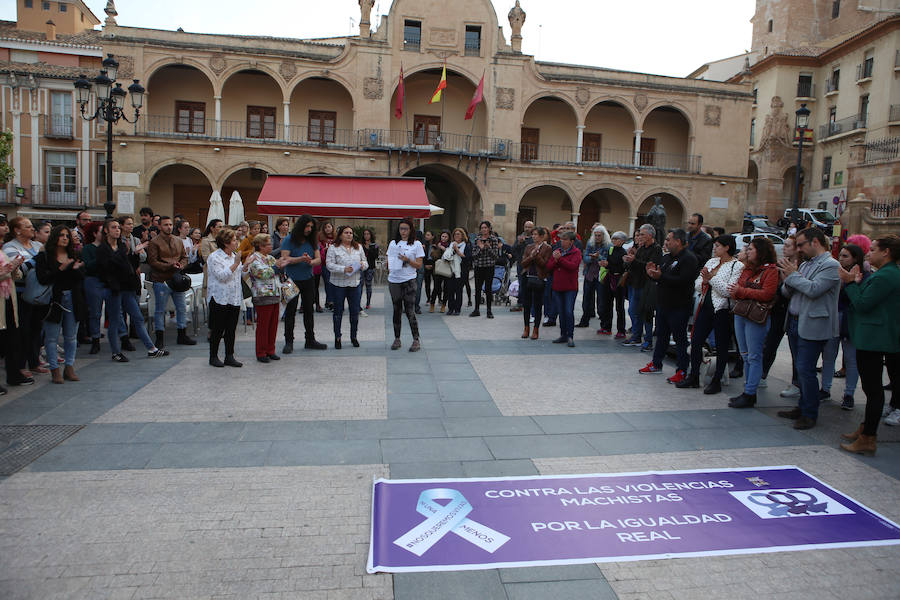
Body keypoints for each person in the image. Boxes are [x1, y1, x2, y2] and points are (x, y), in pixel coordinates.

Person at [838, 235, 900, 455]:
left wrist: (849, 284)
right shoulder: (883, 274)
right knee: (871, 387)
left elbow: (863, 304)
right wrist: (855, 282)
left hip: (874, 338)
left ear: (886, 252)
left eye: (873, 250)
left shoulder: (887, 276)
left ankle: (868, 438)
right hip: (872, 335)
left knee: (873, 390)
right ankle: (865, 428)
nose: (869, 253)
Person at [776, 227, 841, 430]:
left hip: (812, 324)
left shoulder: (831, 265)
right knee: (799, 368)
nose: (799, 249)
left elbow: (813, 290)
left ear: (815, 242)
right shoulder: (805, 264)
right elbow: (788, 290)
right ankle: (802, 407)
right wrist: (790, 279)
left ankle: (810, 413)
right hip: (795, 320)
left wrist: (794, 277)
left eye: (802, 244)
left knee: (806, 369)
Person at [676, 235, 743, 393]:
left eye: (718, 245)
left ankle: (717, 379)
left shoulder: (737, 266)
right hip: (704, 306)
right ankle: (694, 376)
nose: (715, 248)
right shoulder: (711, 262)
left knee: (721, 346)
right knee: (696, 341)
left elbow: (728, 291)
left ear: (727, 247)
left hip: (722, 310)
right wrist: (705, 281)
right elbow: (698, 284)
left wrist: (711, 279)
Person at [97, 219, 168, 362]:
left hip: (127, 287)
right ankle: (116, 352)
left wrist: (132, 255)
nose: (117, 230)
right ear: (106, 230)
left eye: (118, 227)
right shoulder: (103, 249)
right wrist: (127, 255)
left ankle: (151, 349)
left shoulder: (123, 246)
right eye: (113, 227)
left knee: (138, 317)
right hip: (113, 289)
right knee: (115, 320)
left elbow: (127, 265)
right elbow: (108, 267)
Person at [639, 229, 698, 383]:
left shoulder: (689, 259)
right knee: (661, 336)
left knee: (680, 339)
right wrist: (651, 274)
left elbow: (683, 281)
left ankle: (682, 370)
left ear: (678, 241)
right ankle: (656, 363)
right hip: (663, 304)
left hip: (679, 306)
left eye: (668, 240)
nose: (665, 242)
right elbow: (661, 277)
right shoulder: (666, 258)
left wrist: (661, 277)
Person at [725, 237, 779, 407]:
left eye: (751, 249)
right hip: (741, 313)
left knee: (754, 355)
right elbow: (735, 289)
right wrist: (743, 291)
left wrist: (743, 291)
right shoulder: (747, 269)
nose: (747, 252)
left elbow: (767, 294)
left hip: (756, 317)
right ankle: (748, 389)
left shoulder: (771, 270)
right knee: (745, 355)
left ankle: (750, 392)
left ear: (761, 252)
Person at [35, 226, 85, 384]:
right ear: (55, 237)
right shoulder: (44, 256)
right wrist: (61, 269)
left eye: (67, 236)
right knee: (52, 338)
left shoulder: (73, 254)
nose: (65, 238)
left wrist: (75, 270)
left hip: (72, 297)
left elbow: (80, 278)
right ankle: (55, 369)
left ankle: (69, 367)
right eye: (61, 235)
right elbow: (43, 278)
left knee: (71, 337)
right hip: (54, 300)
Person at [823, 244, 867, 410]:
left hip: (850, 319)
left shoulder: (863, 275)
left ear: (855, 258)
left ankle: (849, 394)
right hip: (834, 316)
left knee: (850, 358)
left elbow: (859, 298)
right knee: (828, 354)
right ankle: (825, 389)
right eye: (840, 255)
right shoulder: (834, 272)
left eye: (846, 256)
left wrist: (849, 283)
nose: (841, 259)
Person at [3, 217, 46, 379]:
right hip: (20, 294)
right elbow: (17, 270)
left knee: (36, 329)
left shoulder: (37, 245)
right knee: (22, 330)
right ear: (17, 230)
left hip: (38, 293)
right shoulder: (10, 247)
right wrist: (36, 260)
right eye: (27, 226)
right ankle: (20, 365)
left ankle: (34, 361)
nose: (32, 229)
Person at [147, 216, 197, 348]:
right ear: (160, 226)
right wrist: (169, 265)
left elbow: (184, 257)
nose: (168, 227)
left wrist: (181, 265)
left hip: (177, 279)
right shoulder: (154, 242)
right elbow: (153, 262)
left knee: (181, 308)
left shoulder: (177, 240)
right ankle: (159, 338)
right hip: (161, 279)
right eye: (165, 225)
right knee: (160, 310)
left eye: (170, 224)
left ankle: (182, 334)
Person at [279, 215, 327, 352]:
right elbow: (284, 258)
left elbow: (318, 259)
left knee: (309, 310)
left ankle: (310, 340)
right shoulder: (289, 239)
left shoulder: (312, 241)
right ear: (301, 226)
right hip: (291, 280)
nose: (309, 229)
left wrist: (311, 262)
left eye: (311, 227)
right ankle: (289, 341)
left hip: (308, 279)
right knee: (290, 312)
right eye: (307, 226)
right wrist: (301, 258)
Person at [761, 235, 797, 392]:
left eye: (788, 245)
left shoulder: (800, 266)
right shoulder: (779, 264)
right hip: (778, 309)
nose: (784, 248)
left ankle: (796, 383)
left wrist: (787, 280)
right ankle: (762, 375)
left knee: (796, 349)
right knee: (770, 343)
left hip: (793, 310)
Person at [206, 228, 244, 368]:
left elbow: (237, 275)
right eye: (234, 240)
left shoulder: (234, 256)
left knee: (231, 329)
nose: (236, 242)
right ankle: (213, 356)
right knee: (217, 329)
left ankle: (229, 355)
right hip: (219, 297)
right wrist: (236, 264)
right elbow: (222, 276)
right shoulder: (214, 257)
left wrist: (244, 266)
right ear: (226, 243)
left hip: (233, 297)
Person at [326, 225, 368, 349]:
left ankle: (354, 336)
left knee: (354, 312)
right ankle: (337, 337)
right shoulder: (333, 248)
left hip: (354, 284)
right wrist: (343, 269)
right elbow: (329, 265)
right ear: (340, 235)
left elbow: (366, 263)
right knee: (338, 311)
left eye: (351, 232)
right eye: (346, 232)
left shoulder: (358, 247)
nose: (349, 234)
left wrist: (362, 265)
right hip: (338, 284)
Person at [622, 224, 663, 351]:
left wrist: (634, 260)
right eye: (639, 234)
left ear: (650, 235)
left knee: (647, 313)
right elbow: (635, 265)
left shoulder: (656, 249)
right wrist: (628, 260)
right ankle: (636, 335)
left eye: (642, 234)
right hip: (636, 284)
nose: (639, 237)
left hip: (647, 286)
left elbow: (651, 266)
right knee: (634, 311)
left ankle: (648, 340)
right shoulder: (641, 248)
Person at [246, 233, 284, 363]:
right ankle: (261, 352)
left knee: (273, 325)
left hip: (274, 293)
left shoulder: (270, 258)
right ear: (260, 246)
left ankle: (270, 350)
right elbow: (262, 273)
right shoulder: (254, 259)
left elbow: (276, 270)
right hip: (262, 295)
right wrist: (276, 267)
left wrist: (281, 265)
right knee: (263, 326)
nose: (271, 246)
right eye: (268, 244)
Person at [387, 218, 424, 351]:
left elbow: (419, 265)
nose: (403, 231)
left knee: (409, 310)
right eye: (401, 229)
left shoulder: (416, 244)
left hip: (409, 280)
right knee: (396, 310)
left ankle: (416, 339)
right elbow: (389, 259)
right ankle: (397, 339)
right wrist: (391, 264)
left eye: (406, 229)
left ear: (410, 230)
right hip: (394, 280)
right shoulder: (393, 243)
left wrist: (407, 260)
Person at [546, 231, 582, 347]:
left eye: (565, 239)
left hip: (570, 287)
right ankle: (563, 334)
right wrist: (556, 260)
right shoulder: (558, 251)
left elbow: (573, 266)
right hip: (557, 286)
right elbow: (549, 266)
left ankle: (570, 335)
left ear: (571, 241)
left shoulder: (576, 252)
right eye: (561, 239)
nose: (562, 241)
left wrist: (559, 260)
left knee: (568, 311)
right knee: (561, 312)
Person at [79, 222, 107, 355]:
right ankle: (95, 339)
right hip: (93, 280)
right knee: (95, 312)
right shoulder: (88, 249)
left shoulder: (109, 247)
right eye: (102, 231)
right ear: (95, 234)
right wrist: (101, 257)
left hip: (107, 281)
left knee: (115, 312)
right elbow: (88, 266)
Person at [0, 248, 25, 393]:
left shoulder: (2, 252)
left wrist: (15, 266)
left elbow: (17, 275)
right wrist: (6, 271)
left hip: (9, 300)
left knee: (12, 339)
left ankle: (14, 375)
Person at [519, 226, 551, 339]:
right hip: (527, 277)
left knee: (537, 305)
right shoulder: (529, 247)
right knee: (526, 305)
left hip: (539, 278)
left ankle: (536, 329)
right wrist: (531, 256)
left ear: (542, 236)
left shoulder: (547, 248)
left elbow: (544, 265)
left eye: (536, 234)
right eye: (533, 234)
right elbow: (523, 263)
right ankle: (526, 328)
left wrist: (536, 256)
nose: (534, 236)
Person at [576, 225, 611, 328]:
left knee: (601, 300)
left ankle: (603, 324)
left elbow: (607, 259)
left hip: (601, 275)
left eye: (599, 235)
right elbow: (585, 258)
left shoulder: (608, 245)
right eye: (595, 235)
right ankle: (584, 320)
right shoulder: (590, 244)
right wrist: (592, 258)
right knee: (586, 298)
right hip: (590, 274)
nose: (597, 237)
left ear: (603, 236)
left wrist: (598, 257)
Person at [600, 231, 629, 338]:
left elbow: (622, 268)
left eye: (617, 239)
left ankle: (621, 330)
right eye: (613, 239)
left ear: (622, 241)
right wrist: (604, 264)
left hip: (618, 280)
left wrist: (609, 265)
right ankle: (606, 327)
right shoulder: (611, 250)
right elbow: (609, 262)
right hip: (609, 278)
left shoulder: (623, 253)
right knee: (607, 303)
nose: (614, 241)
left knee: (619, 306)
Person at [470, 220, 500, 319]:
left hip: (489, 267)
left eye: (485, 228)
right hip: (479, 266)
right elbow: (474, 256)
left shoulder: (494, 240)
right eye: (482, 228)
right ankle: (476, 309)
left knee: (488, 289)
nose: (484, 229)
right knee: (478, 288)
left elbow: (495, 256)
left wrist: (488, 248)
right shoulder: (477, 240)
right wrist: (481, 248)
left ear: (489, 228)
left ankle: (489, 310)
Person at [511, 220, 535, 312]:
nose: (527, 229)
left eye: (529, 227)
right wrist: (519, 243)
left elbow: (532, 248)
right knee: (522, 284)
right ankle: (520, 302)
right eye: (526, 227)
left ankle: (530, 303)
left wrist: (524, 243)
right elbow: (513, 250)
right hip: (521, 265)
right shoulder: (519, 237)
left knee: (531, 284)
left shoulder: (534, 238)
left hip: (531, 265)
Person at [443, 228, 467, 316]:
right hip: (451, 269)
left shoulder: (465, 245)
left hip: (460, 271)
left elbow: (465, 257)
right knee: (450, 290)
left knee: (458, 290)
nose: (456, 236)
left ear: (462, 236)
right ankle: (450, 308)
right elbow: (446, 255)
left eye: (458, 234)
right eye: (455, 234)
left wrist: (456, 249)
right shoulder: (451, 244)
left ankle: (457, 309)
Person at [429, 231, 450, 313]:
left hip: (447, 269)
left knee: (446, 288)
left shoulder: (450, 246)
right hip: (437, 270)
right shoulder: (436, 245)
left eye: (445, 237)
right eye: (442, 236)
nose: (443, 238)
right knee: (436, 288)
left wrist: (444, 249)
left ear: (448, 238)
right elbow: (433, 257)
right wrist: (438, 248)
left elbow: (450, 256)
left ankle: (444, 305)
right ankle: (432, 304)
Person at [317, 221, 336, 311]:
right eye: (325, 227)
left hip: (334, 263)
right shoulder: (320, 238)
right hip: (324, 263)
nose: (328, 229)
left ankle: (330, 301)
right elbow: (318, 249)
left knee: (332, 283)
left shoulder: (336, 238)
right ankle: (330, 301)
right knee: (327, 282)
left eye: (329, 227)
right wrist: (324, 249)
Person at [361, 228, 379, 311]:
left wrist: (369, 248)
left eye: (368, 234)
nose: (366, 235)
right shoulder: (360, 245)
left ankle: (368, 303)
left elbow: (375, 256)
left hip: (370, 267)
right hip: (361, 267)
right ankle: (358, 303)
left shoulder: (375, 245)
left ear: (371, 235)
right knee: (360, 285)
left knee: (368, 285)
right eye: (365, 234)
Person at [421, 230, 435, 308]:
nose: (426, 236)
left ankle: (437, 298)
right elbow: (422, 256)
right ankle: (428, 298)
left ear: (432, 236)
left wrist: (433, 265)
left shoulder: (436, 245)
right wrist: (425, 265)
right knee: (427, 283)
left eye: (428, 235)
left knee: (436, 283)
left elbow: (438, 256)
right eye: (426, 235)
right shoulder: (424, 245)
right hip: (426, 264)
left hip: (434, 265)